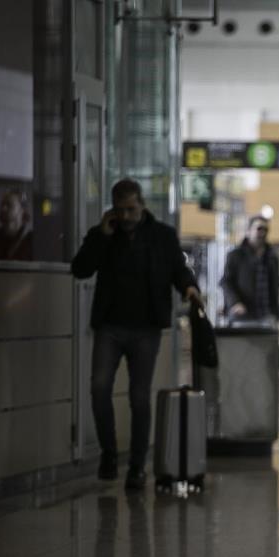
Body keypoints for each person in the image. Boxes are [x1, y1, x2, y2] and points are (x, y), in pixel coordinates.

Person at [71, 179, 202, 490]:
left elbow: (177, 270)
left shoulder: (162, 236)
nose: (126, 216)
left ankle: (137, 467)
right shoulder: (105, 234)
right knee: (99, 388)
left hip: (146, 328)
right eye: (120, 210)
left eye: (131, 209)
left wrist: (189, 287)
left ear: (142, 205)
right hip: (110, 326)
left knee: (139, 396)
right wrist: (102, 235)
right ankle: (108, 453)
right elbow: (81, 268)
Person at [220, 215, 279, 322]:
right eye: (259, 229)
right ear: (248, 231)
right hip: (243, 315)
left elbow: (276, 285)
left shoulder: (272, 257)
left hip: (267, 315)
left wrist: (277, 312)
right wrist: (235, 303)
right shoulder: (236, 255)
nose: (262, 233)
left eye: (266, 229)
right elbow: (226, 282)